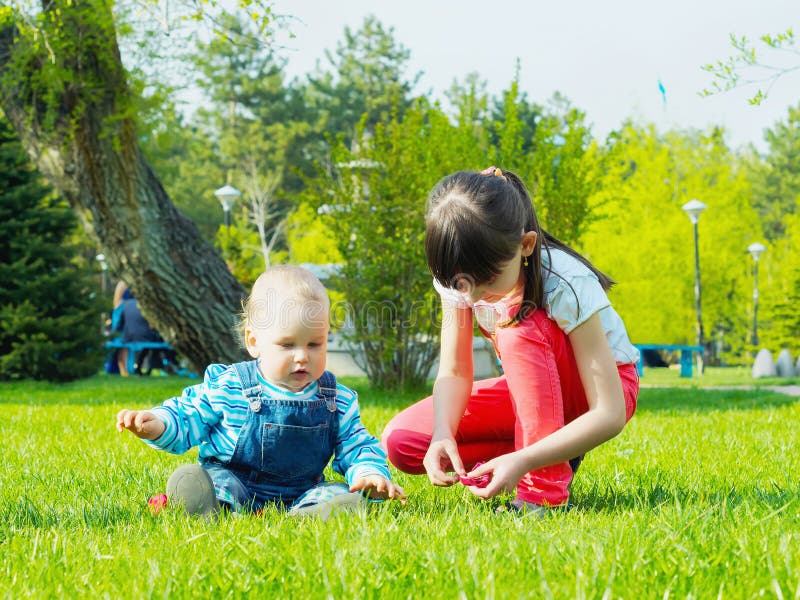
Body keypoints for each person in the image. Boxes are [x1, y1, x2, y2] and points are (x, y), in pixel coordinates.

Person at [381, 167, 640, 515]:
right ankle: (551, 449)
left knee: (518, 327)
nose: (472, 297)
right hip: (536, 390)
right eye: (460, 285)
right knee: (404, 442)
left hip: (598, 390)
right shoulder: (460, 271)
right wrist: (443, 432)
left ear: (526, 246)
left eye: (488, 281)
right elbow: (455, 371)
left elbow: (610, 413)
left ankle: (541, 496)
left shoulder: (564, 282)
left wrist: (525, 460)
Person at [117, 265, 405, 519]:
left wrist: (369, 474)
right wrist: (158, 424)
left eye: (315, 344)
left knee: (337, 492)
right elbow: (188, 413)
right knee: (216, 483)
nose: (302, 356)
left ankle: (312, 515)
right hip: (235, 482)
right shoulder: (231, 386)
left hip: (302, 492)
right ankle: (209, 504)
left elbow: (357, 445)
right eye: (287, 345)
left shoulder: (335, 399)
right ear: (254, 342)